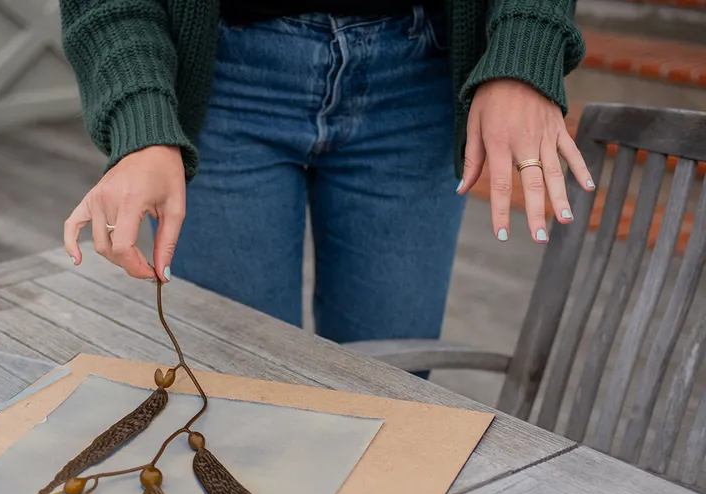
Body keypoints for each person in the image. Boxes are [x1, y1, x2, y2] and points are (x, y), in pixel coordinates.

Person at [59, 1, 595, 347]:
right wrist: (141, 120)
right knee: (242, 393)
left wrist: (525, 48)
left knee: (389, 396)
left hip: (417, 76)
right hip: (224, 79)